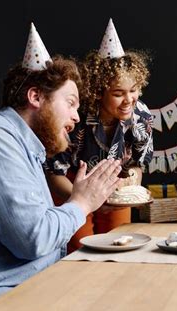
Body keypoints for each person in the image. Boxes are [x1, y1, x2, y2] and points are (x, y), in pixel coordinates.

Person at [0, 24, 122, 311]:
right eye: (71, 103)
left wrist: (85, 202)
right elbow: (32, 240)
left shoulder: (24, 149)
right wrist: (81, 203)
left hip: (28, 290)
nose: (77, 117)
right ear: (36, 97)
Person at [45, 18, 153, 253]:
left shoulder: (141, 116)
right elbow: (54, 173)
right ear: (98, 91)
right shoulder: (76, 117)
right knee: (79, 247)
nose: (129, 100)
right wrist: (87, 199)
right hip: (72, 185)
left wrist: (130, 182)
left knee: (120, 243)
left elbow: (137, 164)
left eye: (133, 91)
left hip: (114, 188)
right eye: (118, 93)